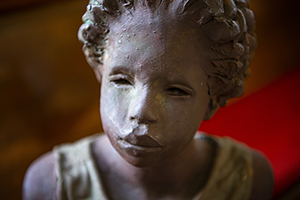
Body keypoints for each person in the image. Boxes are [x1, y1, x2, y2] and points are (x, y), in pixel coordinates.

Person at [23, 0, 274, 199]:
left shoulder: (249, 178)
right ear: (100, 70)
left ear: (214, 97)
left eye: (175, 90)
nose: (140, 111)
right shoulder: (51, 185)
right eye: (121, 80)